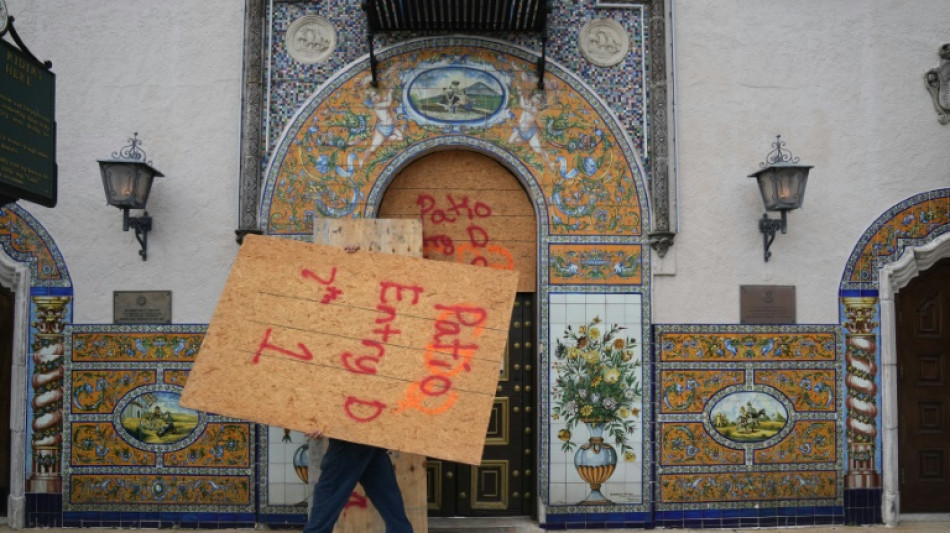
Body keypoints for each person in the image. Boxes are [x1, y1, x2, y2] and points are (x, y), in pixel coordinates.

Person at [302, 244, 413, 533]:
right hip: (365, 427)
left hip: (354, 427)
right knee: (387, 496)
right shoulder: (350, 331)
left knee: (328, 495)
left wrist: (354, 258)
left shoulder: (365, 328)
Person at [302, 429, 413, 533]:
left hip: (352, 438)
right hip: (371, 438)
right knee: (392, 507)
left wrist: (318, 421)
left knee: (328, 498)